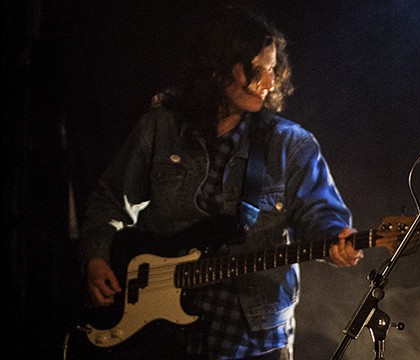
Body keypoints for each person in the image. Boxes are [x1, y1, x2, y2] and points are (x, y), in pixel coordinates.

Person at [76, 5, 363, 360]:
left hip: (253, 339)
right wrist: (97, 256)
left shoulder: (291, 144)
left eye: (272, 69)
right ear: (217, 68)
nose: (269, 82)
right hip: (160, 336)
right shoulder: (161, 128)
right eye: (257, 69)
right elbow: (110, 200)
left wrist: (336, 236)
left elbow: (321, 215)